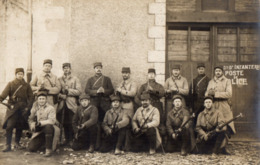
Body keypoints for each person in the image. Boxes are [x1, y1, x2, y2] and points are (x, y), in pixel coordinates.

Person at [0, 68, 34, 152]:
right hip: (13, 108)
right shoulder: (11, 84)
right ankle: (8, 145)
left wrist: (28, 107)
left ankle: (17, 143)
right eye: (18, 74)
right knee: (9, 126)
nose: (20, 75)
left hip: (23, 109)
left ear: (23, 75)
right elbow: (4, 93)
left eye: (21, 74)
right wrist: (1, 98)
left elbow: (31, 97)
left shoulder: (26, 85)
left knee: (20, 126)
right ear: (15, 75)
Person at [205, 65, 235, 154]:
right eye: (216, 71)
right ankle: (215, 147)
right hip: (214, 104)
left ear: (222, 72)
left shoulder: (227, 81)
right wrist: (209, 94)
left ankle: (224, 147)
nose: (218, 72)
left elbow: (229, 94)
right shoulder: (211, 81)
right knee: (214, 125)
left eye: (219, 71)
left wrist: (216, 94)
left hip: (224, 105)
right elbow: (207, 93)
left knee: (226, 124)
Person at [28, 89, 60, 157]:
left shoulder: (50, 108)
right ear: (37, 100)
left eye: (43, 99)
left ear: (46, 100)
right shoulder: (35, 107)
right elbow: (31, 118)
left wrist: (40, 123)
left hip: (51, 128)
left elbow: (52, 121)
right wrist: (32, 123)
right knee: (31, 148)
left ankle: (48, 149)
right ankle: (43, 143)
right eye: (40, 99)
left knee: (48, 127)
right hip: (40, 130)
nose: (41, 100)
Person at [57, 63, 82, 146]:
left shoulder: (75, 79)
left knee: (72, 121)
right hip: (62, 103)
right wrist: (61, 95)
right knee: (64, 122)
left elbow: (79, 91)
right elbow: (57, 91)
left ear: (70, 69)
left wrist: (68, 91)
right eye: (64, 68)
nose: (66, 69)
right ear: (63, 69)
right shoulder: (59, 79)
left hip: (71, 104)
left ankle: (72, 139)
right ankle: (66, 139)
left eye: (67, 68)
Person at [136, 68, 165, 137]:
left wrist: (153, 91)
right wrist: (146, 93)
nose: (151, 76)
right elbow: (138, 95)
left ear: (155, 75)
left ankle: (159, 138)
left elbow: (162, 93)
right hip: (146, 105)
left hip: (156, 104)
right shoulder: (143, 86)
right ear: (147, 75)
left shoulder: (159, 85)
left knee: (158, 122)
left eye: (153, 74)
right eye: (149, 74)